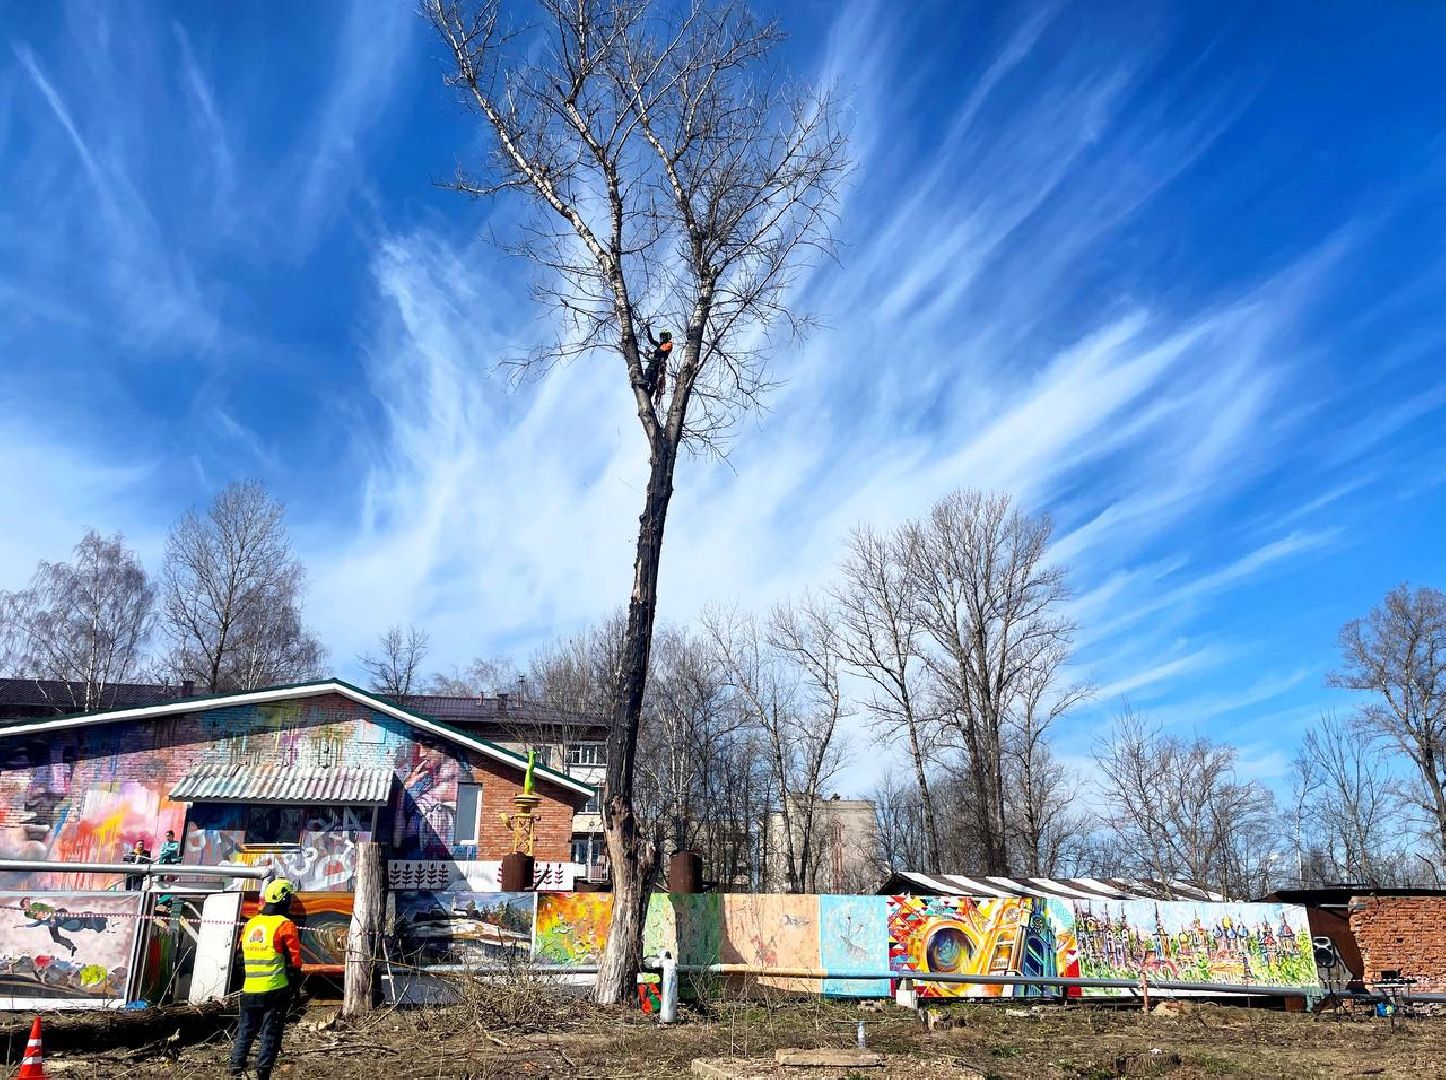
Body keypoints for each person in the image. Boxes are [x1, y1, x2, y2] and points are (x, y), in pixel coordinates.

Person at [231, 879, 303, 1080]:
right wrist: (295, 988)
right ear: (284, 899)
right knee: (270, 1032)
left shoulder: (251, 924)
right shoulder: (285, 925)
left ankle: (236, 1066)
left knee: (245, 1030)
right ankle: (263, 1071)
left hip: (250, 989)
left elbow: (240, 957)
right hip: (275, 989)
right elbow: (294, 961)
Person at [644, 327, 674, 408]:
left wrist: (653, 353)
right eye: (661, 336)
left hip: (659, 363)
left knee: (650, 372)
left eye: (663, 336)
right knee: (653, 377)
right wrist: (648, 329)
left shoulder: (668, 344)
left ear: (667, 337)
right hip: (656, 362)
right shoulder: (659, 345)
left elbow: (662, 351)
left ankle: (646, 383)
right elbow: (651, 341)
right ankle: (647, 395)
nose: (662, 338)